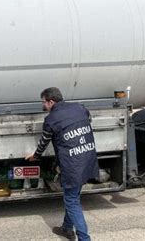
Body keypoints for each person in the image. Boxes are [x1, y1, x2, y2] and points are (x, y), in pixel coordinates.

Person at [25, 87, 99, 241]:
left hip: (72, 165)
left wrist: (36, 156)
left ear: (51, 101)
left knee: (72, 201)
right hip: (87, 158)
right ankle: (66, 228)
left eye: (44, 103)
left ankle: (85, 238)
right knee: (73, 197)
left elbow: (44, 142)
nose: (43, 106)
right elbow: (87, 121)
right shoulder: (80, 108)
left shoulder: (51, 119)